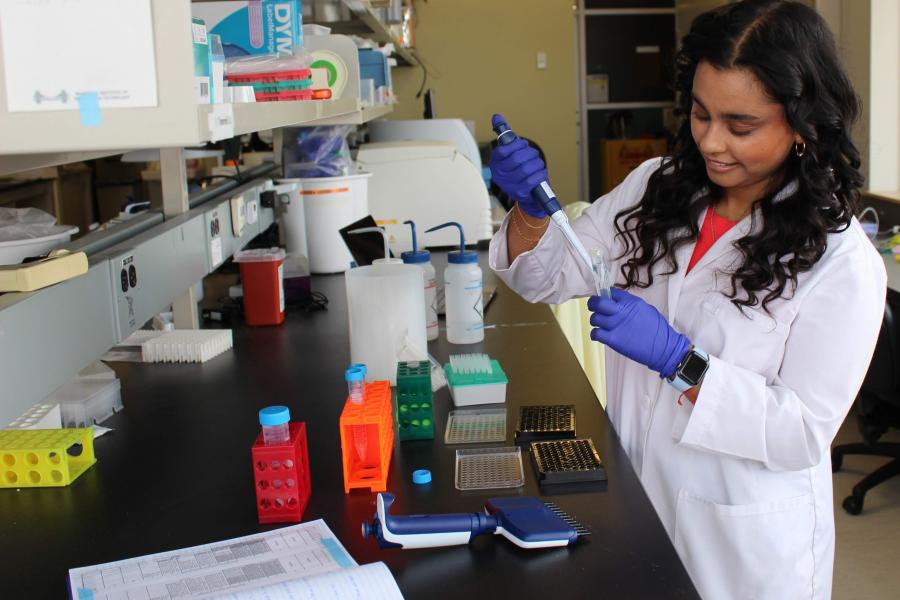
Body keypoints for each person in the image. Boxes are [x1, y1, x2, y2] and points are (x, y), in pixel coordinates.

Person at [488, 1, 886, 598]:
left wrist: (681, 361)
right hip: (634, 498)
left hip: (741, 540)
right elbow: (544, 278)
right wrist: (526, 208)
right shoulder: (655, 186)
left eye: (741, 125)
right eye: (702, 114)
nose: (712, 142)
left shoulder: (841, 260)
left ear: (803, 125)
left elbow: (801, 431)